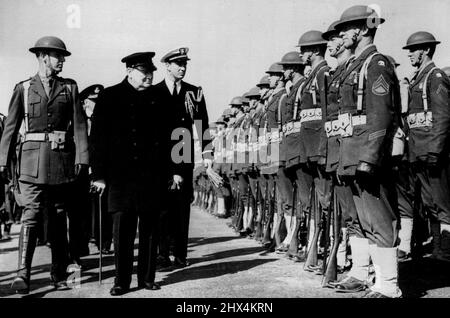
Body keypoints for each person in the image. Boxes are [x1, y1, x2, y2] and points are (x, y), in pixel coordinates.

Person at [0, 36, 89, 293]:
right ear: (42, 57)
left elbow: (80, 126)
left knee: (59, 217)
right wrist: (3, 161)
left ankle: (59, 273)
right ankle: (22, 274)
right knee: (31, 216)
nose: (62, 60)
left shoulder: (69, 88)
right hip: (30, 163)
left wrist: (82, 158)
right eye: (57, 56)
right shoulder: (24, 88)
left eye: (62, 56)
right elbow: (10, 127)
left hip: (60, 163)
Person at [332, 5, 402, 298]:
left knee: (380, 220)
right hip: (351, 154)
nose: (341, 35)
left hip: (367, 156)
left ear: (361, 30)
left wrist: (369, 158)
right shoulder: (353, 66)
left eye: (345, 29)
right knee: (363, 222)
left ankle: (389, 285)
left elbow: (381, 116)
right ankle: (369, 277)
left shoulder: (376, 64)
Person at [90, 52, 166, 295]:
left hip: (151, 176)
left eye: (151, 72)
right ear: (129, 71)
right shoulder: (110, 96)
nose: (149, 77)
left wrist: (174, 171)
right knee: (122, 231)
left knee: (150, 231)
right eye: (144, 72)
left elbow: (170, 138)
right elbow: (98, 139)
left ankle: (147, 278)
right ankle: (121, 281)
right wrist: (99, 175)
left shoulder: (159, 97)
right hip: (120, 177)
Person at [153, 47, 212, 268]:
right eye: (178, 63)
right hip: (159, 157)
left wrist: (207, 153)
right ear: (167, 66)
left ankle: (179, 253)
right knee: (161, 206)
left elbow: (202, 124)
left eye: (185, 63)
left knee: (181, 206)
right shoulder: (154, 91)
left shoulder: (194, 92)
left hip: (184, 153)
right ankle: (161, 253)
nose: (182, 67)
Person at [402, 31, 450, 262]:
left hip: (431, 152)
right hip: (418, 152)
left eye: (413, 50)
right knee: (430, 204)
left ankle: (446, 250)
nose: (410, 54)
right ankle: (438, 250)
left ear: (427, 50)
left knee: (443, 204)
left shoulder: (436, 77)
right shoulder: (417, 78)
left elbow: (442, 117)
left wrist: (436, 150)